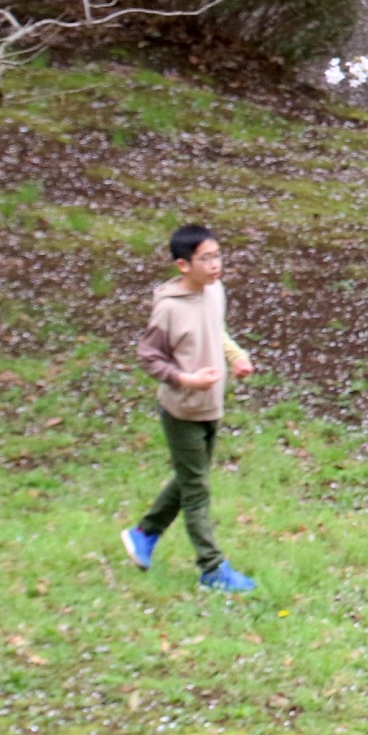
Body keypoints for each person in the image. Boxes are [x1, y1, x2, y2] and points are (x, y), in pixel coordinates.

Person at [123, 224, 257, 593]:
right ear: (183, 265)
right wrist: (186, 380)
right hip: (182, 410)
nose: (215, 265)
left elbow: (218, 332)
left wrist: (237, 357)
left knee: (190, 477)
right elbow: (148, 357)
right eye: (206, 258)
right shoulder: (168, 309)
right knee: (196, 488)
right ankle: (211, 568)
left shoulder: (215, 292)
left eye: (217, 255)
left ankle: (144, 534)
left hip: (211, 406)